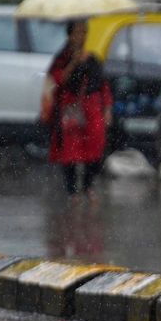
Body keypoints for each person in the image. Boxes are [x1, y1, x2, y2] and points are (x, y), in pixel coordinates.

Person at [47, 20, 112, 200]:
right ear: (69, 35)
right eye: (77, 33)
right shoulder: (62, 59)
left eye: (83, 32)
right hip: (70, 108)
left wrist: (107, 109)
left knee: (95, 148)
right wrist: (73, 63)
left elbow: (103, 86)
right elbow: (58, 81)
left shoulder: (93, 59)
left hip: (92, 109)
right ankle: (72, 190)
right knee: (70, 151)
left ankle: (88, 185)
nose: (80, 37)